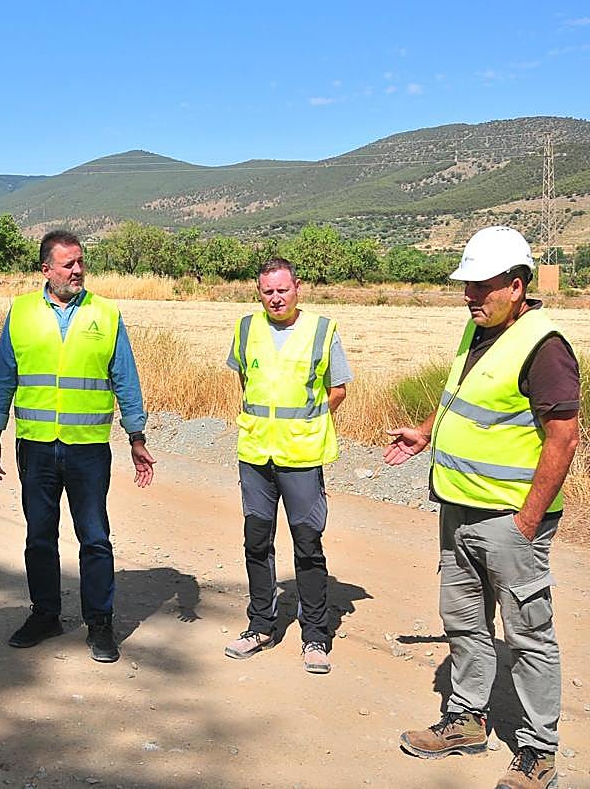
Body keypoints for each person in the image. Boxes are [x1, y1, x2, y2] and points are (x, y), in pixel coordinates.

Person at [389, 226, 579, 789]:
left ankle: (538, 750)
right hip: (457, 509)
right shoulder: (478, 332)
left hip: (510, 521)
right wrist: (427, 433)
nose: (470, 296)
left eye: (482, 286)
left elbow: (564, 439)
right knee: (464, 622)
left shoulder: (545, 347)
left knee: (528, 635)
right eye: (466, 286)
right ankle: (467, 721)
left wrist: (527, 522)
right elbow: (460, 401)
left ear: (518, 286)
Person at [0, 230, 155, 664]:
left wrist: (137, 437)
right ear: (46, 269)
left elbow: (125, 380)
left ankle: (100, 623)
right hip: (36, 446)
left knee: (94, 538)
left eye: (80, 262)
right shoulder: (20, 312)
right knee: (39, 536)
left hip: (88, 447)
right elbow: (4, 378)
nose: (77, 270)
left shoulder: (106, 313)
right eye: (68, 264)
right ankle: (45, 615)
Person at [222, 257, 351, 674]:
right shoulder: (246, 328)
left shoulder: (322, 330)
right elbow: (246, 383)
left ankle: (315, 636)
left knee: (307, 546)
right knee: (256, 540)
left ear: (299, 288)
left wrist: (306, 421)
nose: (276, 298)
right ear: (258, 292)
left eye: (283, 289)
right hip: (256, 454)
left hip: (301, 455)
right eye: (267, 291)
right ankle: (260, 626)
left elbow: (338, 390)